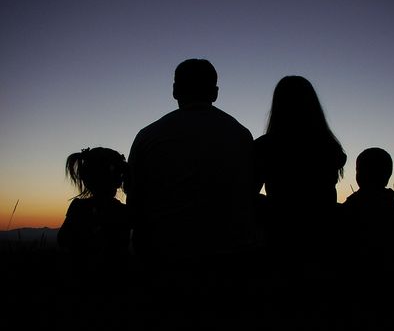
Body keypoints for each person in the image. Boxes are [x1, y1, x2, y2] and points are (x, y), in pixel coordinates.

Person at [126, 58, 259, 270]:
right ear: (215, 93)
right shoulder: (241, 135)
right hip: (234, 255)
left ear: (175, 90)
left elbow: (133, 198)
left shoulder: (148, 136)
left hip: (164, 256)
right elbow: (249, 191)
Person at [253, 75, 347, 268]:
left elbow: (250, 193)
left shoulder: (266, 146)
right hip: (324, 236)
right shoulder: (330, 147)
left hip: (281, 236)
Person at [57, 147, 131, 266]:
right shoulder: (123, 211)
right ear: (118, 179)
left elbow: (63, 239)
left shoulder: (78, 206)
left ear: (87, 180)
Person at [342, 147, 394, 271]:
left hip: (364, 264)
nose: (358, 175)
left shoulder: (358, 201)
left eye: (360, 170)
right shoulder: (390, 199)